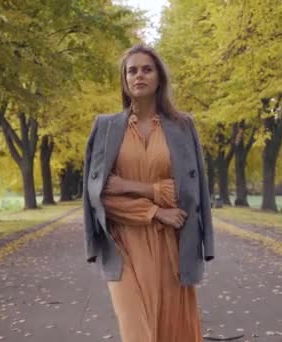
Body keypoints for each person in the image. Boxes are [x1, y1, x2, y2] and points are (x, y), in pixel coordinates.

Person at [82, 44, 214, 342]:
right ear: (124, 80)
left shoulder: (182, 127)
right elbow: (99, 196)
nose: (138, 75)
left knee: (173, 331)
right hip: (123, 244)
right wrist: (156, 210)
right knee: (136, 332)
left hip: (172, 243)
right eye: (132, 70)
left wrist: (131, 187)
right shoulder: (104, 127)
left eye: (146, 69)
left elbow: (185, 193)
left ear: (159, 78)